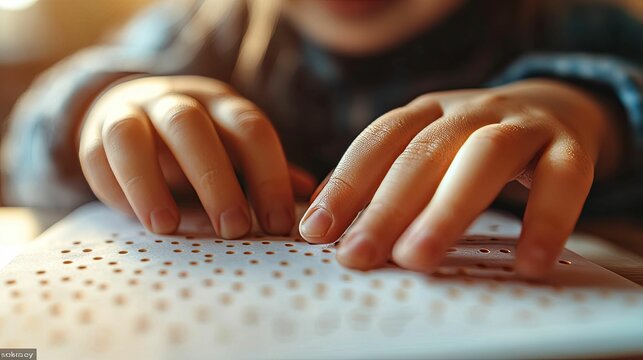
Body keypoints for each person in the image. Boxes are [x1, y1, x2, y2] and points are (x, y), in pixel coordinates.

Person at [2, 0, 642, 278]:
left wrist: (597, 114)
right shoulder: (198, 31)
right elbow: (31, 139)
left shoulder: (583, 27)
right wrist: (108, 106)